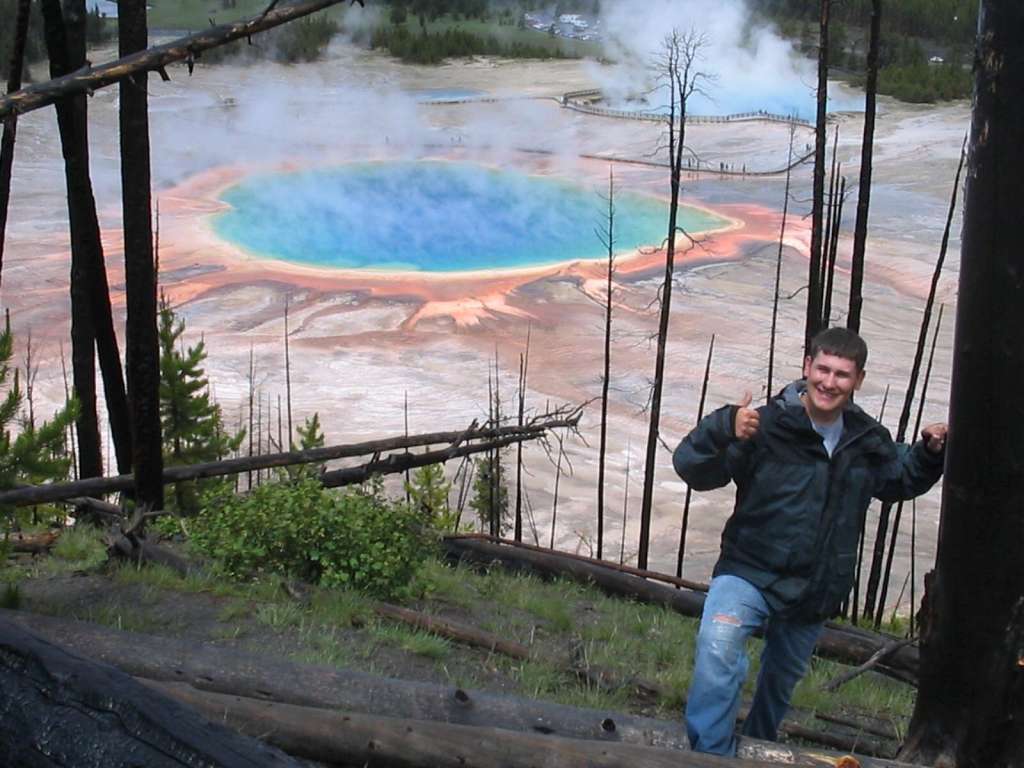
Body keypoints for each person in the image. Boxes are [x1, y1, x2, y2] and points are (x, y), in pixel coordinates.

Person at [672, 327, 947, 756]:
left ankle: (760, 749)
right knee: (718, 646)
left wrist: (929, 453)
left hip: (817, 586)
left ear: (857, 380)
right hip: (749, 570)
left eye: (841, 374)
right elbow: (693, 468)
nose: (828, 382)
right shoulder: (764, 425)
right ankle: (711, 755)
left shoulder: (864, 439)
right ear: (807, 367)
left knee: (779, 684)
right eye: (823, 369)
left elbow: (900, 477)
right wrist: (723, 427)